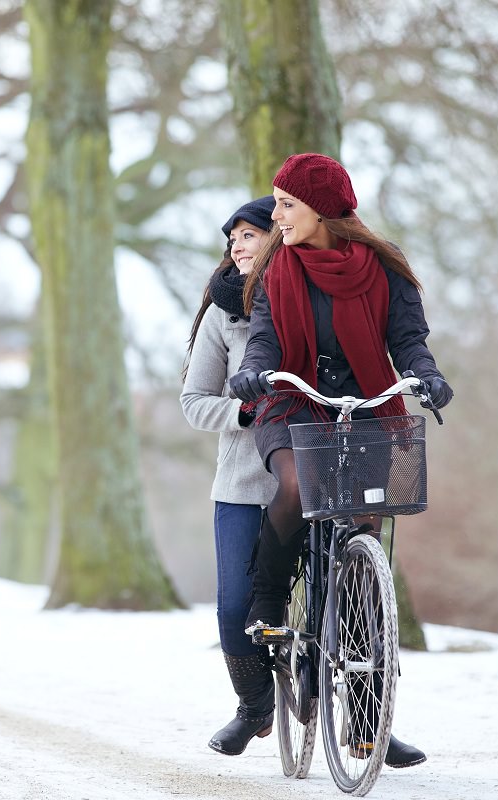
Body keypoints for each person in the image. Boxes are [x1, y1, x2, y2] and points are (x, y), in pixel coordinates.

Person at [229, 153, 454, 768]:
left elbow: (409, 340)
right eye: (275, 204)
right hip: (294, 403)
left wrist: (427, 377)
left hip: (364, 407)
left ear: (321, 209)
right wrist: (252, 373)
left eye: (286, 204)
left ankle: (369, 716)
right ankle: (270, 602)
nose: (275, 216)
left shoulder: (383, 267)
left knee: (361, 539)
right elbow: (267, 337)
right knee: (298, 483)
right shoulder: (279, 268)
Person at [180, 196, 280, 756]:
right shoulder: (224, 314)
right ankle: (255, 707)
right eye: (233, 237)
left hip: (316, 478)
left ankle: (369, 718)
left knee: (347, 602)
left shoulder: (309, 301)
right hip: (244, 485)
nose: (237, 246)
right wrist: (242, 412)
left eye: (250, 234)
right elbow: (194, 402)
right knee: (234, 608)